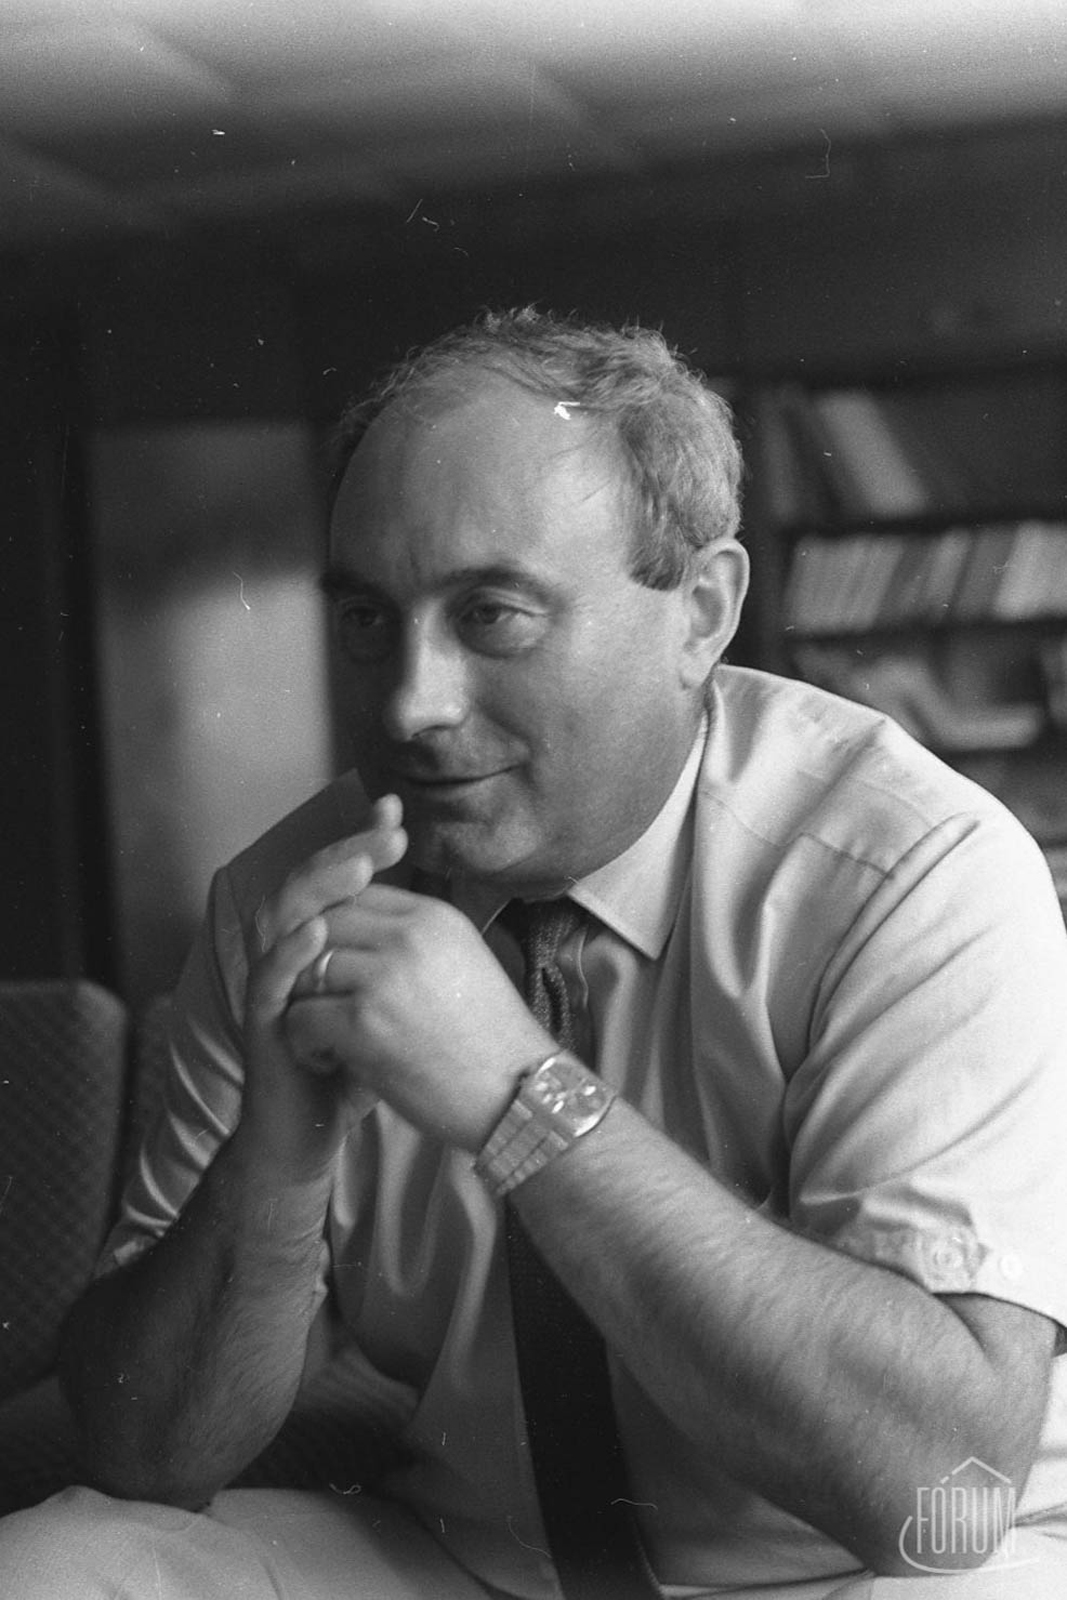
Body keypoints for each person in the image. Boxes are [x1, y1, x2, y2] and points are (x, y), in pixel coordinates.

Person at [3, 307, 1067, 1600]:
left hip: (883, 1570)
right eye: (368, 620)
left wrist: (524, 1099)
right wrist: (275, 1159)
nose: (410, 705)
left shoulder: (916, 873)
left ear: (702, 613)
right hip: (489, 1561)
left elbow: (944, 1491)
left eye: (493, 614)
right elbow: (147, 1452)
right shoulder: (286, 899)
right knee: (57, 1565)